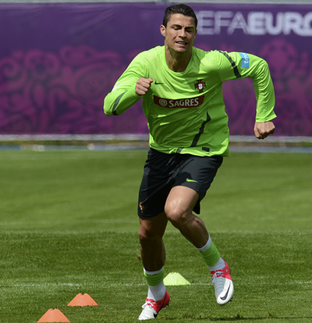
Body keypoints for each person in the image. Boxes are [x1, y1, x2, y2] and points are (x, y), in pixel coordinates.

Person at [103, 3, 276, 320]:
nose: (182, 34)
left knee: (177, 210)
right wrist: (133, 92)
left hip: (203, 149)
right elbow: (110, 105)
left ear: (195, 34)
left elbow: (259, 66)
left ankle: (217, 267)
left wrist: (265, 115)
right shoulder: (145, 63)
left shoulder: (211, 63)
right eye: (177, 28)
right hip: (161, 153)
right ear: (163, 31)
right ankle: (157, 296)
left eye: (189, 29)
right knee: (147, 234)